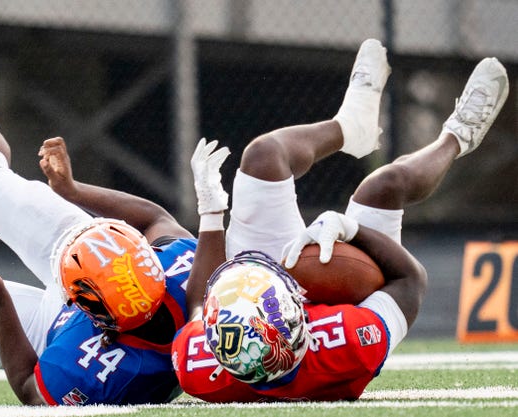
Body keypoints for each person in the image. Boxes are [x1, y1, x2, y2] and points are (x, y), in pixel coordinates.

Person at [0, 37, 226, 406]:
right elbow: (157, 219)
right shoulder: (184, 272)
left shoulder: (111, 375)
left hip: (48, 332)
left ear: (98, 319)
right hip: (87, 255)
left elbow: (28, 387)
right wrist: (72, 191)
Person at [171, 40, 509, 401]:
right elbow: (411, 279)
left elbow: (197, 306)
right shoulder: (348, 343)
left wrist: (210, 212)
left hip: (264, 320)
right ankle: (457, 136)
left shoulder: (201, 364)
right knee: (384, 185)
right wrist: (353, 230)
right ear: (298, 312)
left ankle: (351, 125)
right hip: (339, 310)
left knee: (263, 156)